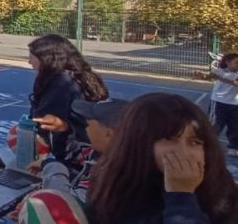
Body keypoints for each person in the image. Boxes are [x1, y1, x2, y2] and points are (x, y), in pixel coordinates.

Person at [87, 93, 238, 223]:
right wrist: (181, 197)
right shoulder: (114, 191)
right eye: (169, 139)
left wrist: (182, 195)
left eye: (195, 142)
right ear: (138, 143)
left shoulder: (221, 191)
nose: (183, 152)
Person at [28, 34, 109, 168]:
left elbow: (41, 120)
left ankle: (44, 165)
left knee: (20, 132)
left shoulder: (60, 82)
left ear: (45, 59)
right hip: (92, 145)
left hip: (76, 151)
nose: (29, 62)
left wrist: (47, 162)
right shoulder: (84, 76)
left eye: (32, 57)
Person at [36, 98, 130, 202]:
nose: (86, 126)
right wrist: (63, 130)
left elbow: (66, 203)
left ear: (108, 134)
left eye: (89, 123)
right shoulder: (99, 154)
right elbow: (70, 153)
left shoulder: (110, 176)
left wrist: (52, 165)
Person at [203, 53, 238, 157]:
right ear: (227, 62)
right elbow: (208, 77)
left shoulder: (220, 74)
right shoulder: (219, 71)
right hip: (218, 102)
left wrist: (218, 77)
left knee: (235, 127)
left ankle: (234, 147)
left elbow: (235, 83)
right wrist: (201, 75)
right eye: (236, 63)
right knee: (215, 126)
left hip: (235, 104)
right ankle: (209, 146)